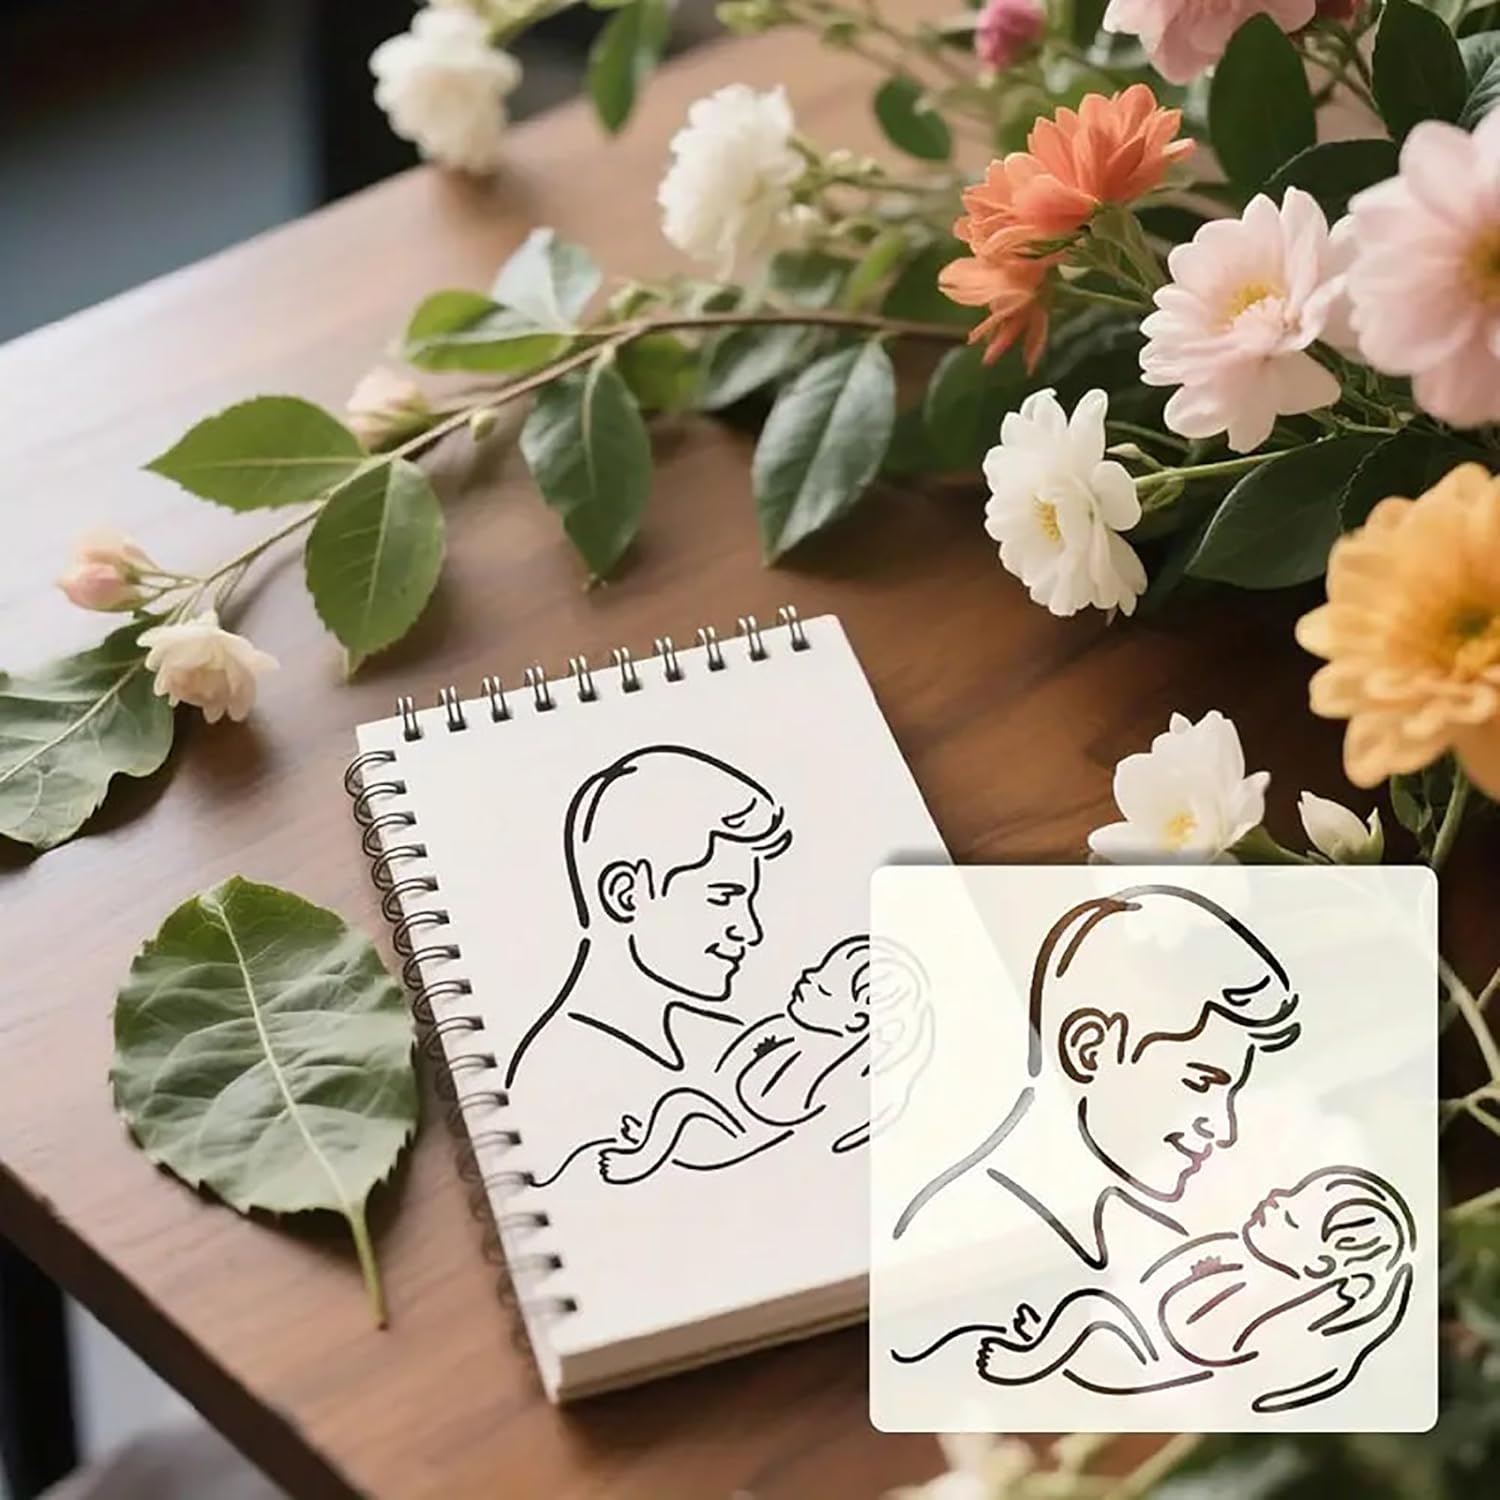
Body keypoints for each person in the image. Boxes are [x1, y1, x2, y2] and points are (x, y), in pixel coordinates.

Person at [894, 885, 1302, 1268]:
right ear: (1088, 1049)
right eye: (1198, 1083)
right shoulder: (969, 1246)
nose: (1225, 1130)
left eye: (1229, 1095)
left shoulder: (1120, 1217)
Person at [506, 744, 792, 1184]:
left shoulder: (730, 1038)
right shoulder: (554, 1082)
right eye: (722, 898)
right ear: (625, 896)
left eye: (747, 900)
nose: (748, 930)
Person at [950, 1165, 1415, 1415]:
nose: (1276, 1199)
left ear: (1317, 1264)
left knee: (1095, 1310)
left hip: (1168, 1348)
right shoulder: (1246, 1263)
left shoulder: (1272, 1310)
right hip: (1159, 1338)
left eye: (1291, 1214)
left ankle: (1035, 1356)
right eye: (1292, 1194)